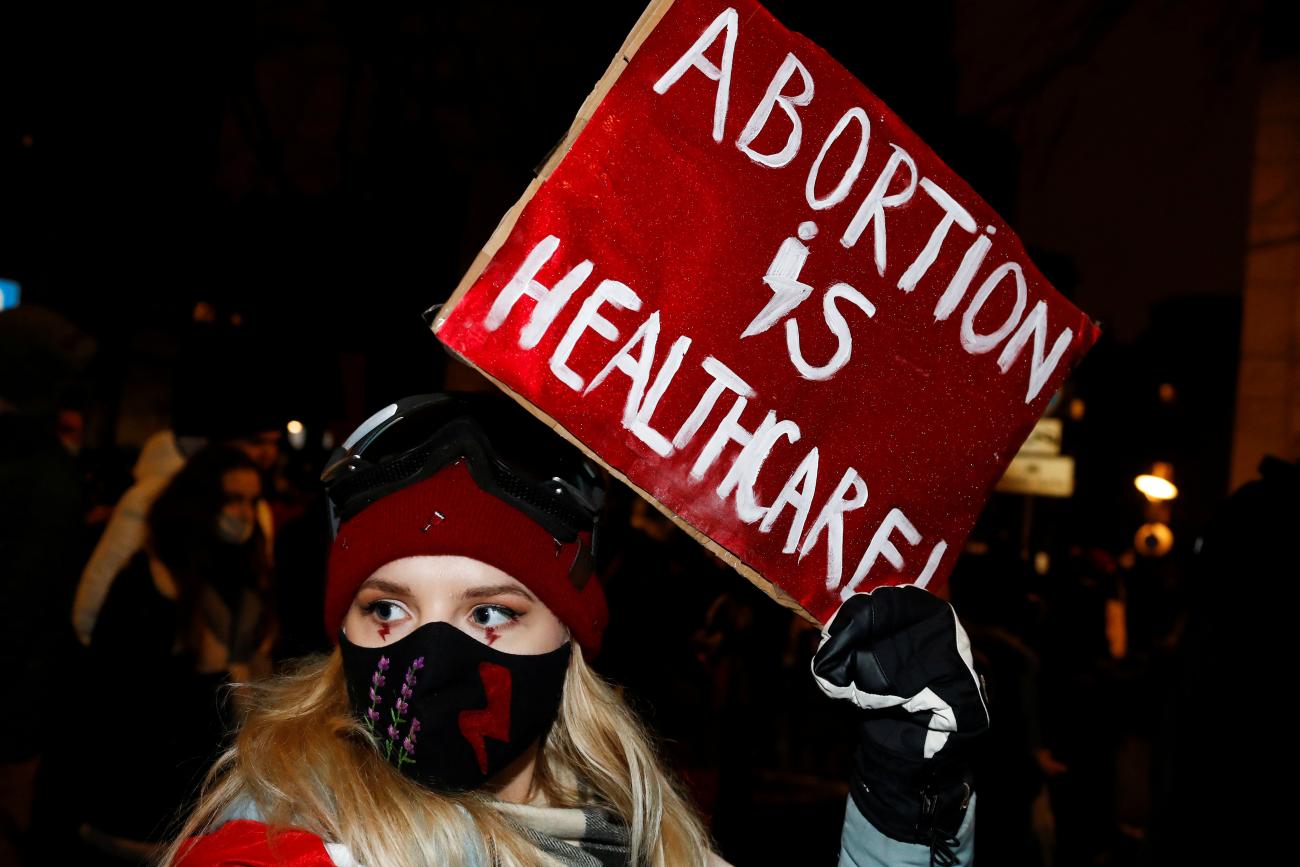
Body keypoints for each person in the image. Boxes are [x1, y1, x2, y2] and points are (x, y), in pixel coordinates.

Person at [166, 394, 987, 867]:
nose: (435, 653)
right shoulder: (285, 847)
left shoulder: (633, 842)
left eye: (492, 612)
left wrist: (908, 799)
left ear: (569, 637)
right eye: (388, 609)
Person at [77, 446, 277, 858]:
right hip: (145, 789)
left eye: (252, 501)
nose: (243, 513)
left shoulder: (244, 572)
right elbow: (121, 691)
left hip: (205, 787)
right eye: (232, 499)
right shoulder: (153, 578)